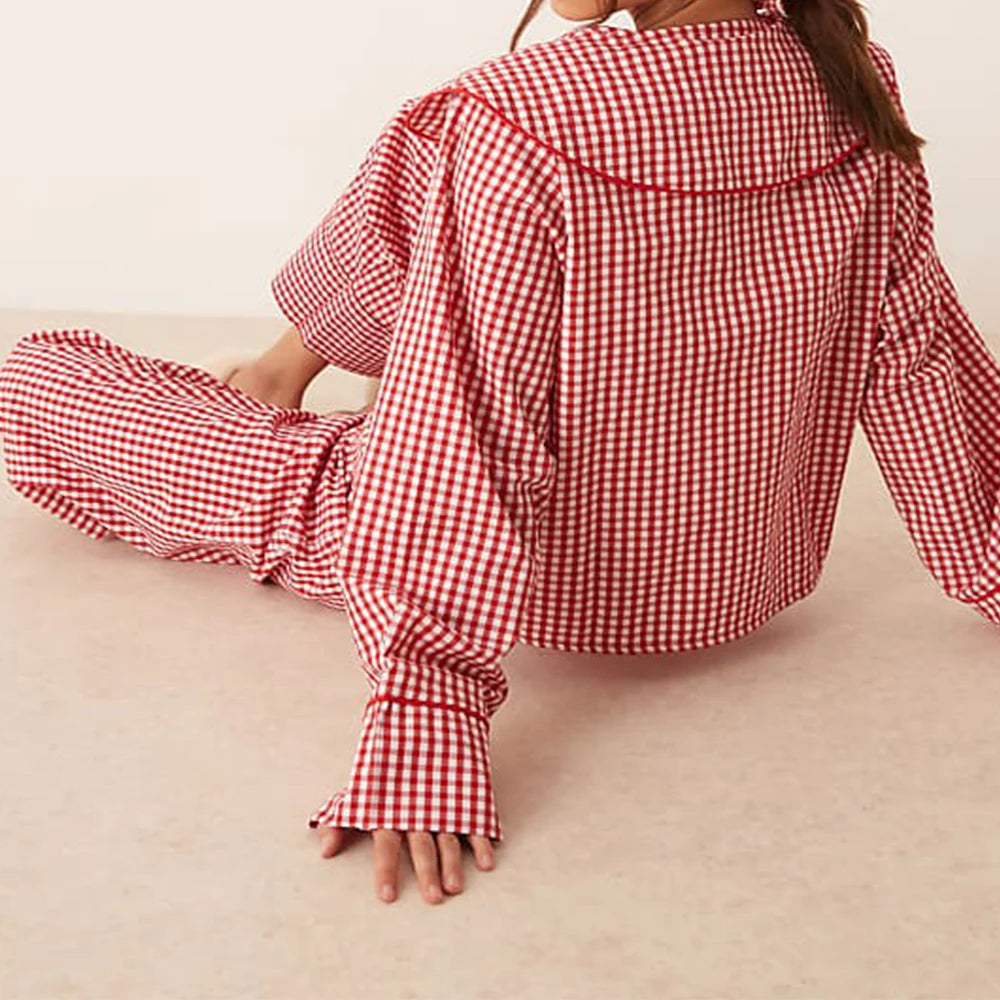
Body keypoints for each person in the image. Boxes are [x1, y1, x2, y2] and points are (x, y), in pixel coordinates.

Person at [2, 0, 997, 906]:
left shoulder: (522, 115)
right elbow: (916, 353)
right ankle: (278, 372)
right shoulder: (850, 79)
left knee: (31, 378)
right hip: (740, 575)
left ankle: (277, 378)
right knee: (436, 146)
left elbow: (467, 424)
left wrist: (428, 701)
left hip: (518, 572)